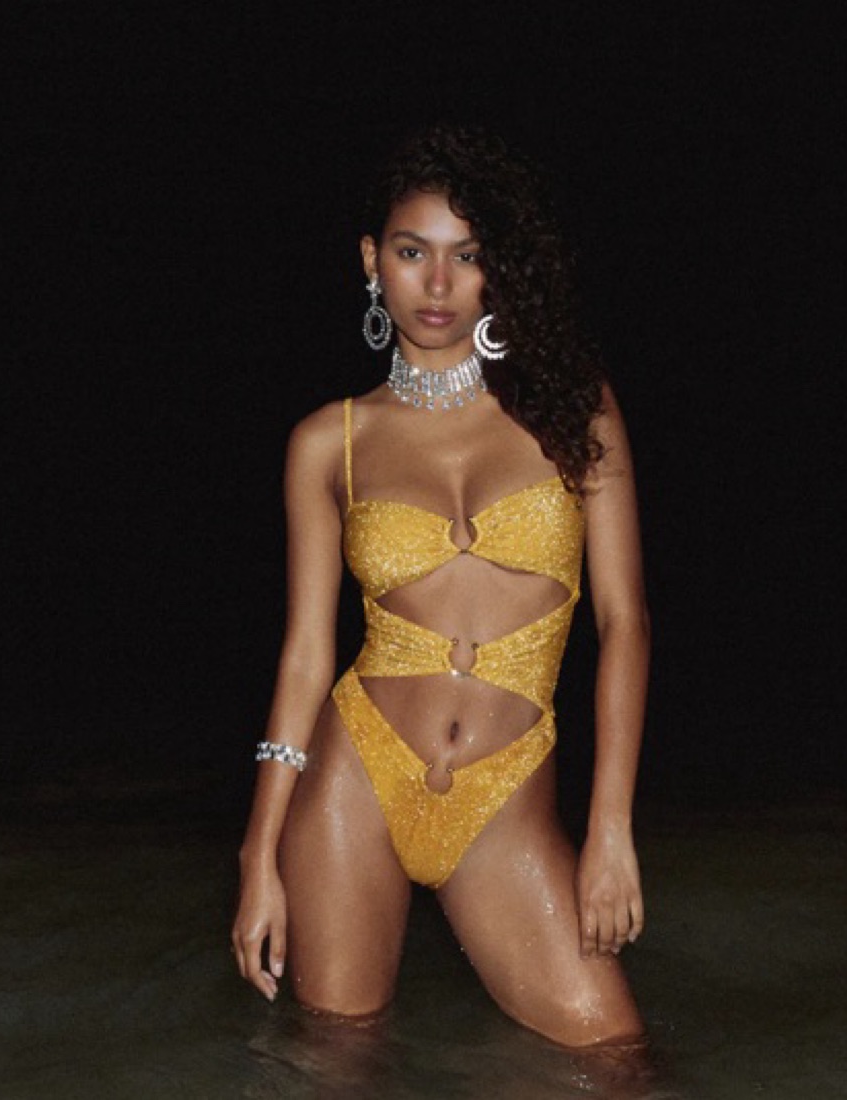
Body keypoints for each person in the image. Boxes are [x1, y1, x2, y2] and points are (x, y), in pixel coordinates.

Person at [232, 123, 650, 1050]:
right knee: (337, 1061)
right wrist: (258, 856)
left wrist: (610, 829)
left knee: (618, 1062)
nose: (436, 283)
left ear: (497, 269)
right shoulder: (328, 443)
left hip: (507, 796)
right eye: (412, 252)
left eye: (466, 255)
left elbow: (625, 622)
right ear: (371, 262)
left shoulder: (573, 408)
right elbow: (305, 658)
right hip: (355, 776)